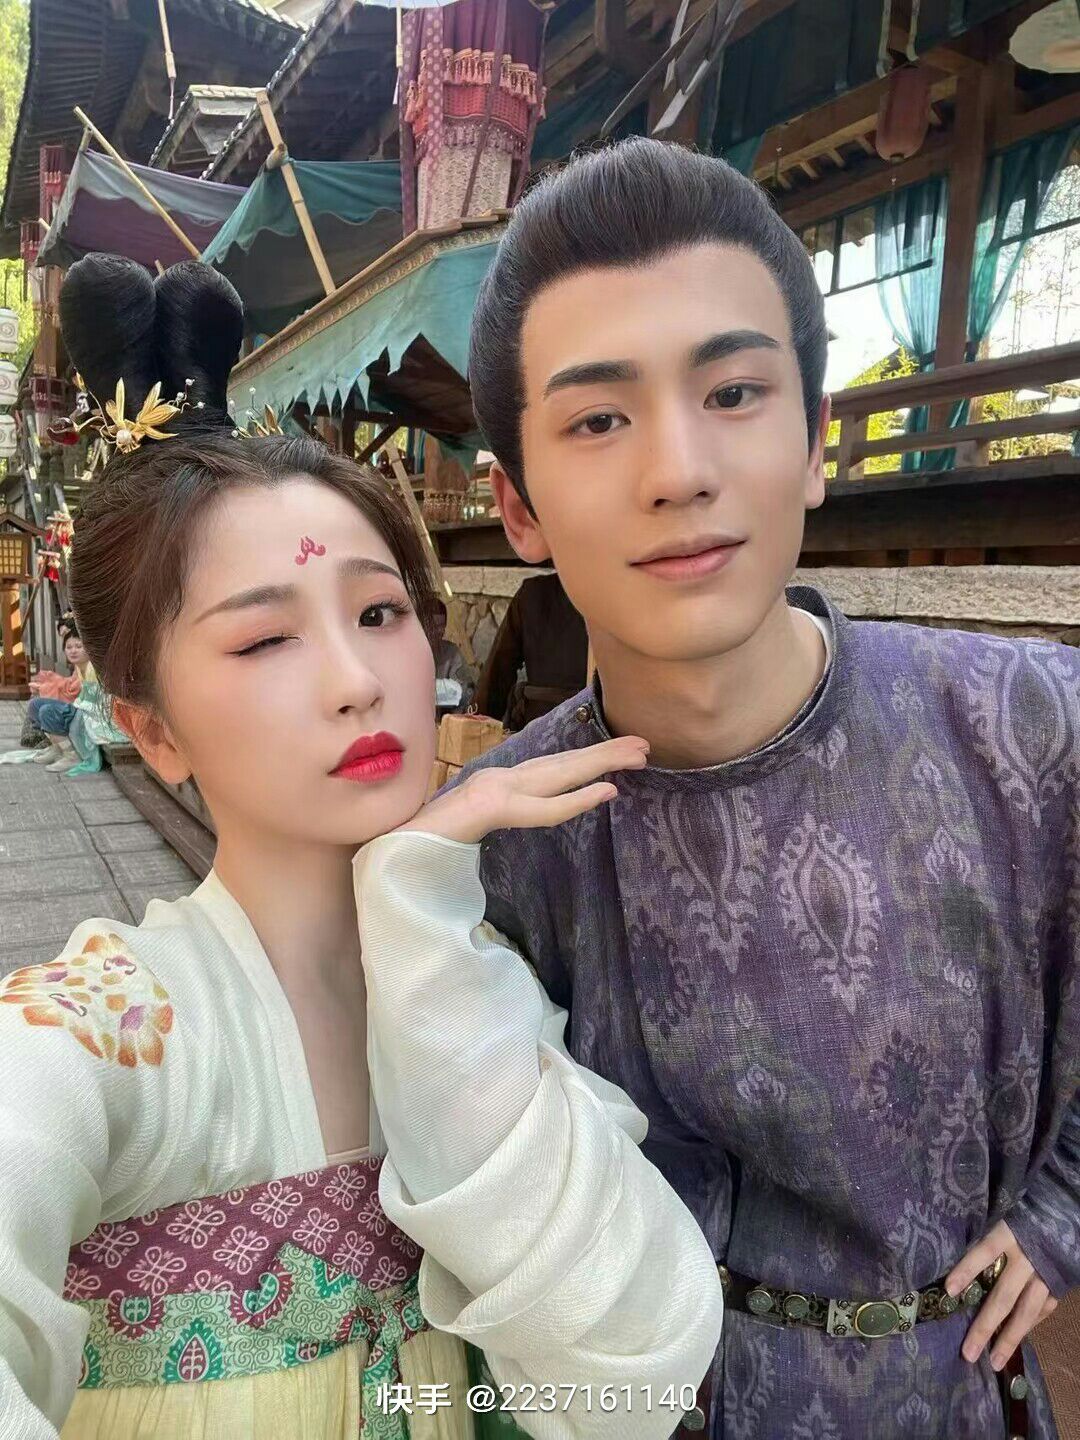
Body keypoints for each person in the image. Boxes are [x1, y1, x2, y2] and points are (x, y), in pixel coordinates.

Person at [0, 254, 722, 1439]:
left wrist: (421, 916)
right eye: (263, 640)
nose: (356, 681)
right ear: (152, 730)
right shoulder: (103, 1032)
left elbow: (633, 1379)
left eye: (379, 613)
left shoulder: (485, 986)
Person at [455, 138, 1080, 1438]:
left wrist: (1064, 1204)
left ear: (815, 443)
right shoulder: (502, 839)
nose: (678, 469)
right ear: (518, 507)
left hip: (953, 1396)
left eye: (734, 392)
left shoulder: (1028, 726)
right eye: (598, 419)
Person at [474, 572, 589, 729]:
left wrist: (476, 721)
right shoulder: (534, 593)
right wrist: (477, 721)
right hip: (542, 723)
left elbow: (499, 669)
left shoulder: (533, 592)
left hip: (545, 723)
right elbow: (498, 670)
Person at [27, 628, 91, 771]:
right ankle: (57, 747)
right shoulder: (78, 668)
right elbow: (69, 687)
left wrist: (47, 687)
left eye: (78, 646)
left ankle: (71, 755)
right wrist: (43, 687)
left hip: (88, 711)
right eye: (69, 647)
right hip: (77, 706)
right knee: (34, 705)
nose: (73, 651)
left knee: (47, 710)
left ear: (89, 647)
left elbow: (84, 696)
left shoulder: (92, 668)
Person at [431, 599, 474, 712]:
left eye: (441, 626)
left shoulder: (452, 652)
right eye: (433, 626)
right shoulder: (406, 652)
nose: (437, 631)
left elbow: (464, 692)